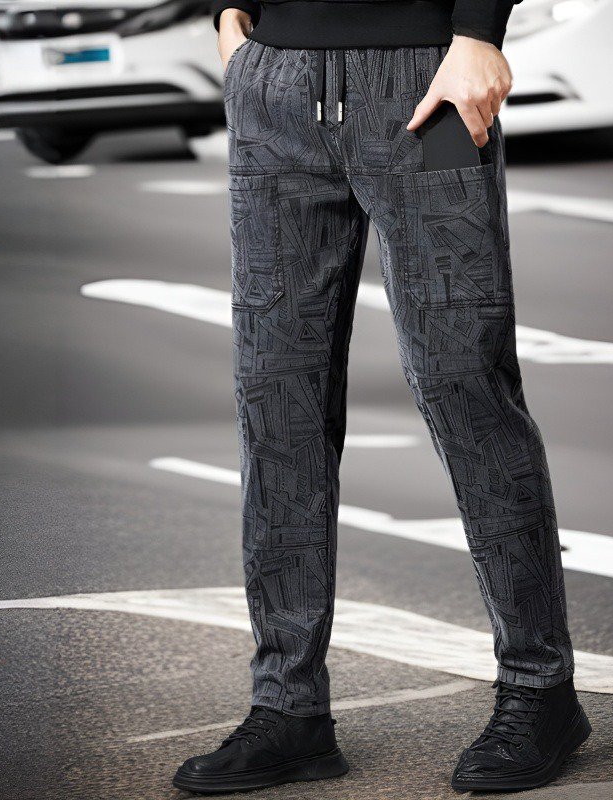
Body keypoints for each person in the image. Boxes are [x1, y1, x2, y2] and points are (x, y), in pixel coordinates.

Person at [173, 0, 591, 793]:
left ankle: (541, 689)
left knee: (464, 382)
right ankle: (288, 707)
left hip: (428, 85)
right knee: (277, 397)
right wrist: (229, 18)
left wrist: (479, 32)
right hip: (275, 90)